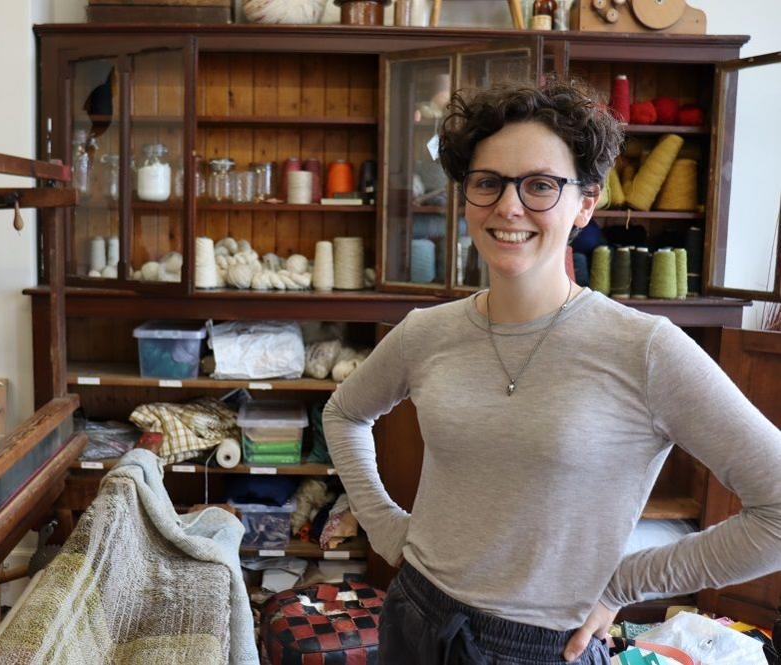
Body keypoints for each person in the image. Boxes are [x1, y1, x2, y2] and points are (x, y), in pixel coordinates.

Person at [322, 79, 781, 664]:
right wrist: (386, 528)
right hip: (415, 619)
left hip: (543, 648)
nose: (508, 207)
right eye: (487, 183)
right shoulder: (425, 332)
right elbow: (343, 414)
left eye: (540, 185)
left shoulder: (646, 350)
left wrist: (624, 585)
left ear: (585, 202)